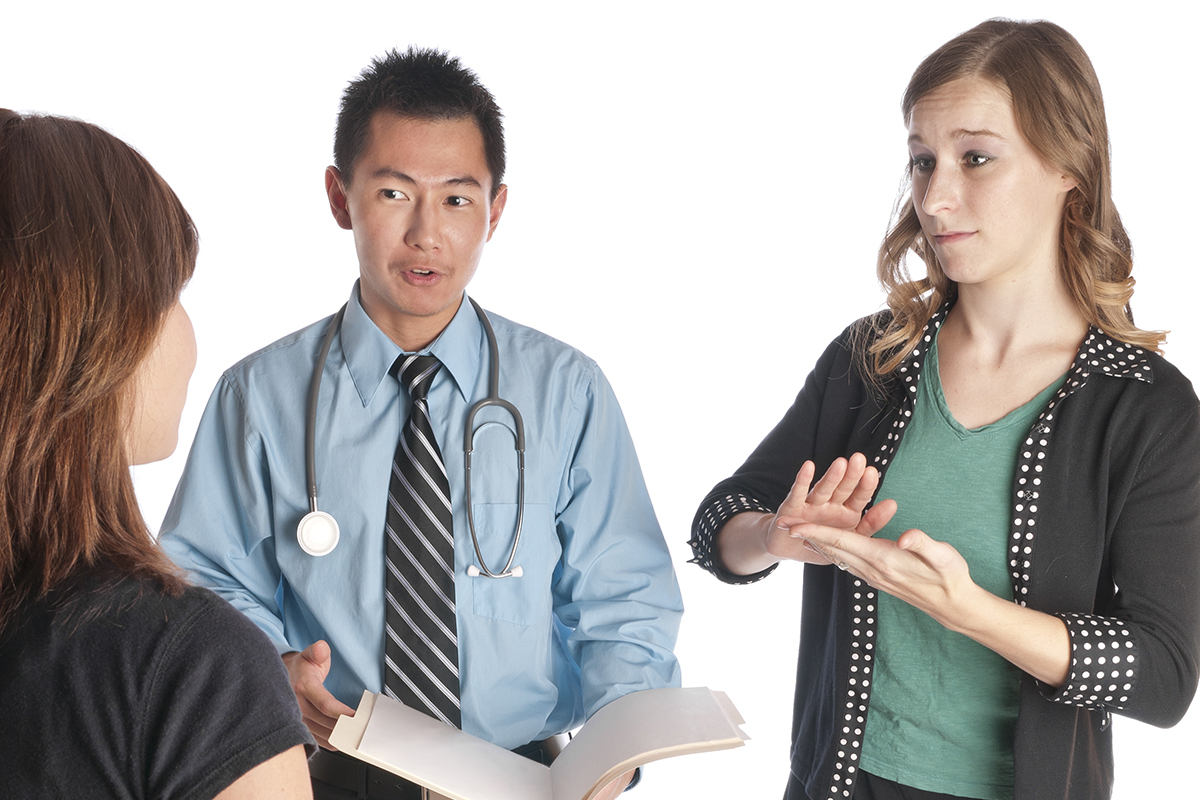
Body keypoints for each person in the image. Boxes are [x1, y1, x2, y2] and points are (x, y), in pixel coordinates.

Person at [689, 19, 1200, 800]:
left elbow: (1164, 677)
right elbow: (720, 523)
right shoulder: (872, 361)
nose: (935, 196)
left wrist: (971, 612)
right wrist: (778, 536)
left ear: (1071, 164)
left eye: (976, 158)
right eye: (922, 161)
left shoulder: (1144, 409)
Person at [158, 47, 682, 800]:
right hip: (328, 773)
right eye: (395, 194)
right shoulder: (258, 395)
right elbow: (203, 576)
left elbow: (623, 597)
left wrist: (615, 754)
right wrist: (273, 666)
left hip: (527, 774)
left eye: (458, 200)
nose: (426, 234)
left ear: (496, 211)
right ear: (341, 198)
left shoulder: (568, 392)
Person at [0, 110, 314, 799]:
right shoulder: (191, 666)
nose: (187, 329)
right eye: (172, 293)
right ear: (94, 339)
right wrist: (236, 704)